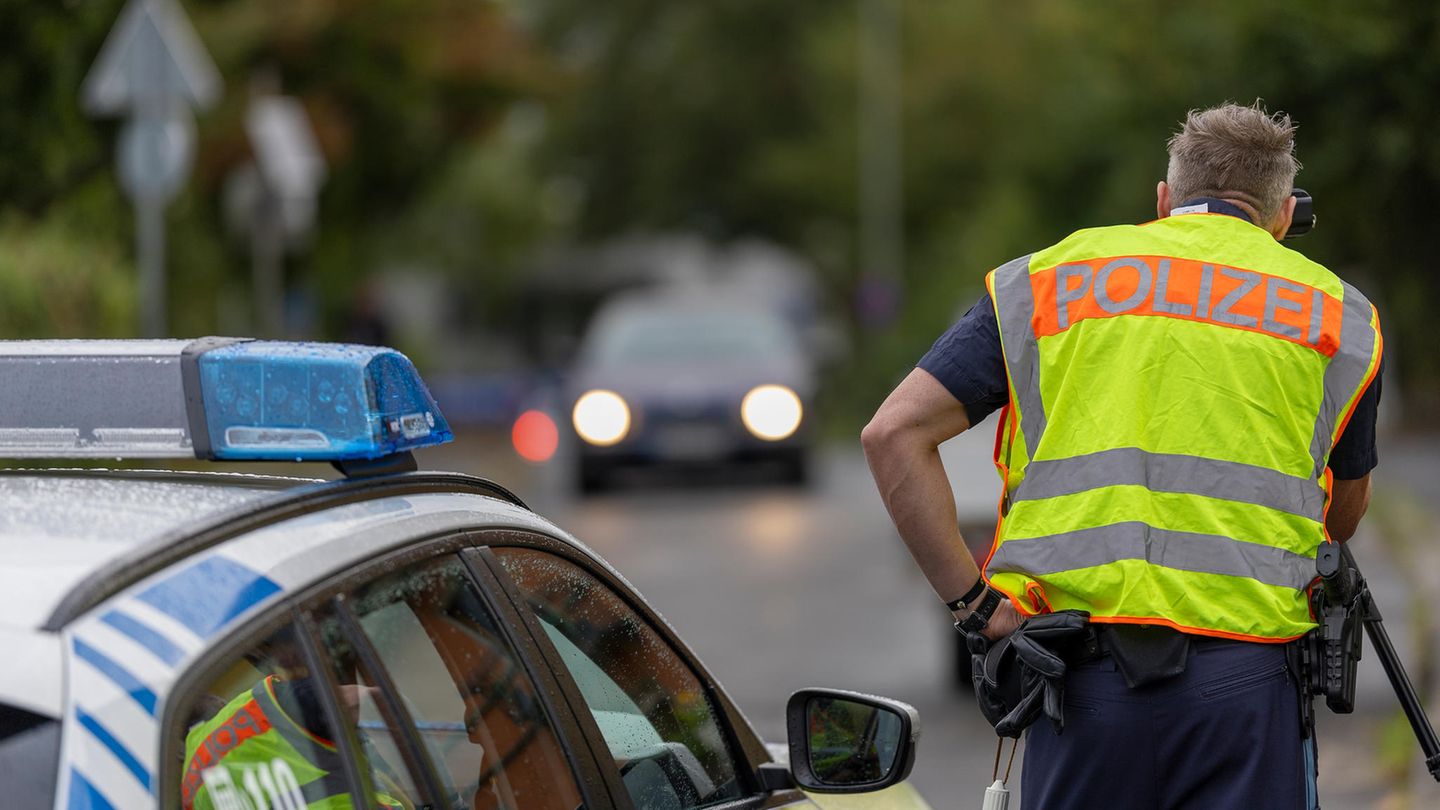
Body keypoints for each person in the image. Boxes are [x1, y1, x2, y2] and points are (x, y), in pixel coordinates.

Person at [861, 102, 1382, 809]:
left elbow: (893, 435)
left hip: (1081, 687)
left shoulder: (1050, 280)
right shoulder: (1339, 314)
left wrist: (976, 610)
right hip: (1247, 688)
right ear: (1284, 217)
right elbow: (1340, 519)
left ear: (1164, 201)